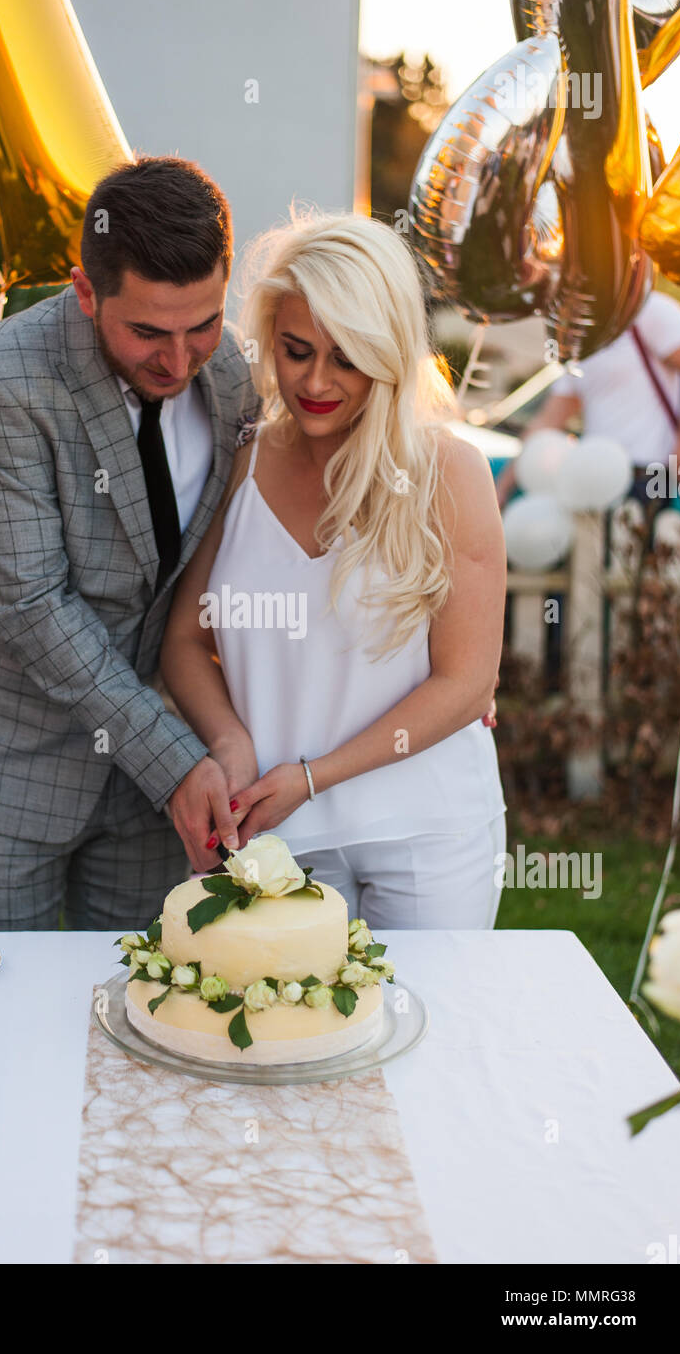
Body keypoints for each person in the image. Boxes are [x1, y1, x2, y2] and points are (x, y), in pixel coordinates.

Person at [0, 157, 259, 931]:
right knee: (5, 1015)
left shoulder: (232, 372)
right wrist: (178, 761)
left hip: (154, 778)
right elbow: (31, 604)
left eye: (201, 323)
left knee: (140, 1008)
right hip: (9, 766)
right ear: (83, 292)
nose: (178, 360)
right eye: (146, 331)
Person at [159, 212, 508, 929]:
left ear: (388, 353)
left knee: (429, 1033)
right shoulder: (240, 461)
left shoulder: (449, 471)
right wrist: (231, 744)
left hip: (427, 832)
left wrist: (313, 779)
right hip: (274, 832)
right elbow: (185, 640)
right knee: (283, 1035)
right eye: (295, 351)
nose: (315, 381)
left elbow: (465, 678)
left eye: (346, 358)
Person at [496, 289, 680, 524]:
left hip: (650, 480)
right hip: (595, 483)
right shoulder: (577, 335)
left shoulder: (648, 310)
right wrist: (502, 486)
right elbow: (547, 421)